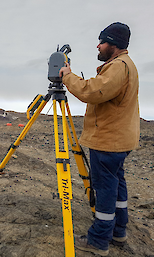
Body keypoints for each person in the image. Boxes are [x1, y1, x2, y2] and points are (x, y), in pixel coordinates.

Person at [59, 22, 140, 256]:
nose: (98, 45)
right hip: (119, 139)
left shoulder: (118, 66)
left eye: (102, 41)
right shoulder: (125, 65)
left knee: (105, 188)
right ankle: (118, 231)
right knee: (116, 186)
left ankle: (98, 240)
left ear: (113, 45)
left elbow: (93, 92)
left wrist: (68, 77)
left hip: (109, 140)